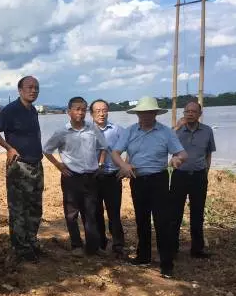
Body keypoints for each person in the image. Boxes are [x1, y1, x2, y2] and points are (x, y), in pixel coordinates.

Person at [112, 96, 188, 279]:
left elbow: (182, 153)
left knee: (162, 222)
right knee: (142, 219)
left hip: (159, 179)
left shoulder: (166, 132)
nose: (145, 116)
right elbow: (115, 152)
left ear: (155, 113)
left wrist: (177, 159)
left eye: (149, 112)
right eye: (142, 113)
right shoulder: (130, 131)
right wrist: (124, 165)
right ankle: (143, 256)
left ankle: (166, 263)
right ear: (137, 114)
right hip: (137, 179)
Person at [0, 76, 44, 263]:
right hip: (19, 166)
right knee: (19, 209)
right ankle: (21, 248)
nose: (33, 90)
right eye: (29, 87)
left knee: (35, 207)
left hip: (36, 164)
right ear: (20, 90)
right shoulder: (11, 110)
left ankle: (32, 241)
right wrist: (9, 148)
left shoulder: (32, 110)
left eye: (36, 88)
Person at [43, 97, 110, 257]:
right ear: (69, 112)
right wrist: (59, 165)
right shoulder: (62, 132)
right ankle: (76, 245)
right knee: (71, 214)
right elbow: (47, 150)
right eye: (77, 109)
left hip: (91, 176)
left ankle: (93, 247)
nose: (80, 112)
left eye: (83, 109)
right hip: (71, 178)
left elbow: (104, 147)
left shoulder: (92, 129)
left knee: (91, 213)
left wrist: (100, 165)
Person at [171, 101, 216, 258]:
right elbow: (163, 143)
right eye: (187, 111)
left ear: (199, 114)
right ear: (183, 113)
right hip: (179, 176)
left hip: (199, 176)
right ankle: (172, 248)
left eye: (193, 111)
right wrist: (177, 127)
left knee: (197, 213)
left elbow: (209, 154)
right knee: (175, 213)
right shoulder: (176, 131)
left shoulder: (207, 131)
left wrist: (206, 171)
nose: (190, 114)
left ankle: (197, 249)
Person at [90, 99, 126, 257]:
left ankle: (118, 245)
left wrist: (126, 166)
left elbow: (132, 146)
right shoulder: (86, 130)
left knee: (114, 212)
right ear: (91, 114)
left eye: (104, 110)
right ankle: (100, 243)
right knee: (95, 211)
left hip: (112, 176)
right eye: (97, 111)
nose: (101, 114)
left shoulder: (117, 130)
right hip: (92, 177)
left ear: (108, 112)